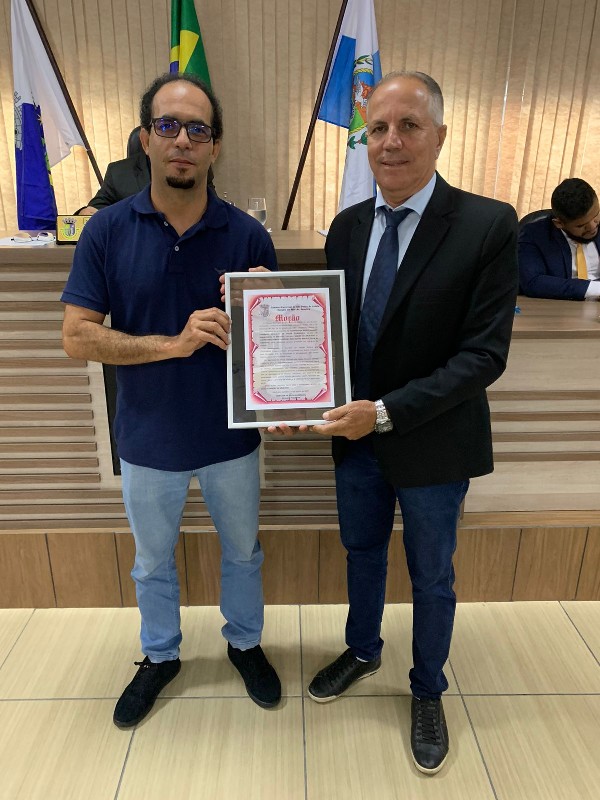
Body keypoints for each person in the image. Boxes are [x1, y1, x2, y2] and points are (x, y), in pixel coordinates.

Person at [284, 71, 518, 774]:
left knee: (430, 574)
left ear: (439, 136)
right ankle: (362, 650)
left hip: (433, 441)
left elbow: (483, 356)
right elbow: (335, 337)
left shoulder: (488, 224)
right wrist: (289, 384)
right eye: (378, 128)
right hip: (355, 443)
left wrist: (383, 413)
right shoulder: (348, 227)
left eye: (408, 126)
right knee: (361, 553)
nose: (391, 141)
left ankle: (427, 688)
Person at [61, 72, 281, 728]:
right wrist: (173, 344)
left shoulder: (248, 236)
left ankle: (245, 643)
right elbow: (77, 337)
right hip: (148, 439)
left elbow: (273, 350)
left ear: (216, 146)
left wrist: (270, 313)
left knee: (243, 553)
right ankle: (160, 656)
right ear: (145, 139)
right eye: (168, 126)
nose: (183, 140)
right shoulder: (105, 232)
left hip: (231, 440)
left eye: (198, 129)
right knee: (152, 561)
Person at [518, 178, 600, 300]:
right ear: (559, 223)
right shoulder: (534, 235)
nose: (593, 227)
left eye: (596, 215)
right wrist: (594, 289)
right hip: (560, 307)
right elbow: (532, 282)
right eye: (581, 226)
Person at [76, 145, 215, 215]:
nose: (180, 142)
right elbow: (94, 210)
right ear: (146, 140)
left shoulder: (193, 169)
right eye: (167, 129)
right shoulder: (119, 172)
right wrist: (84, 214)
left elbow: (212, 209)